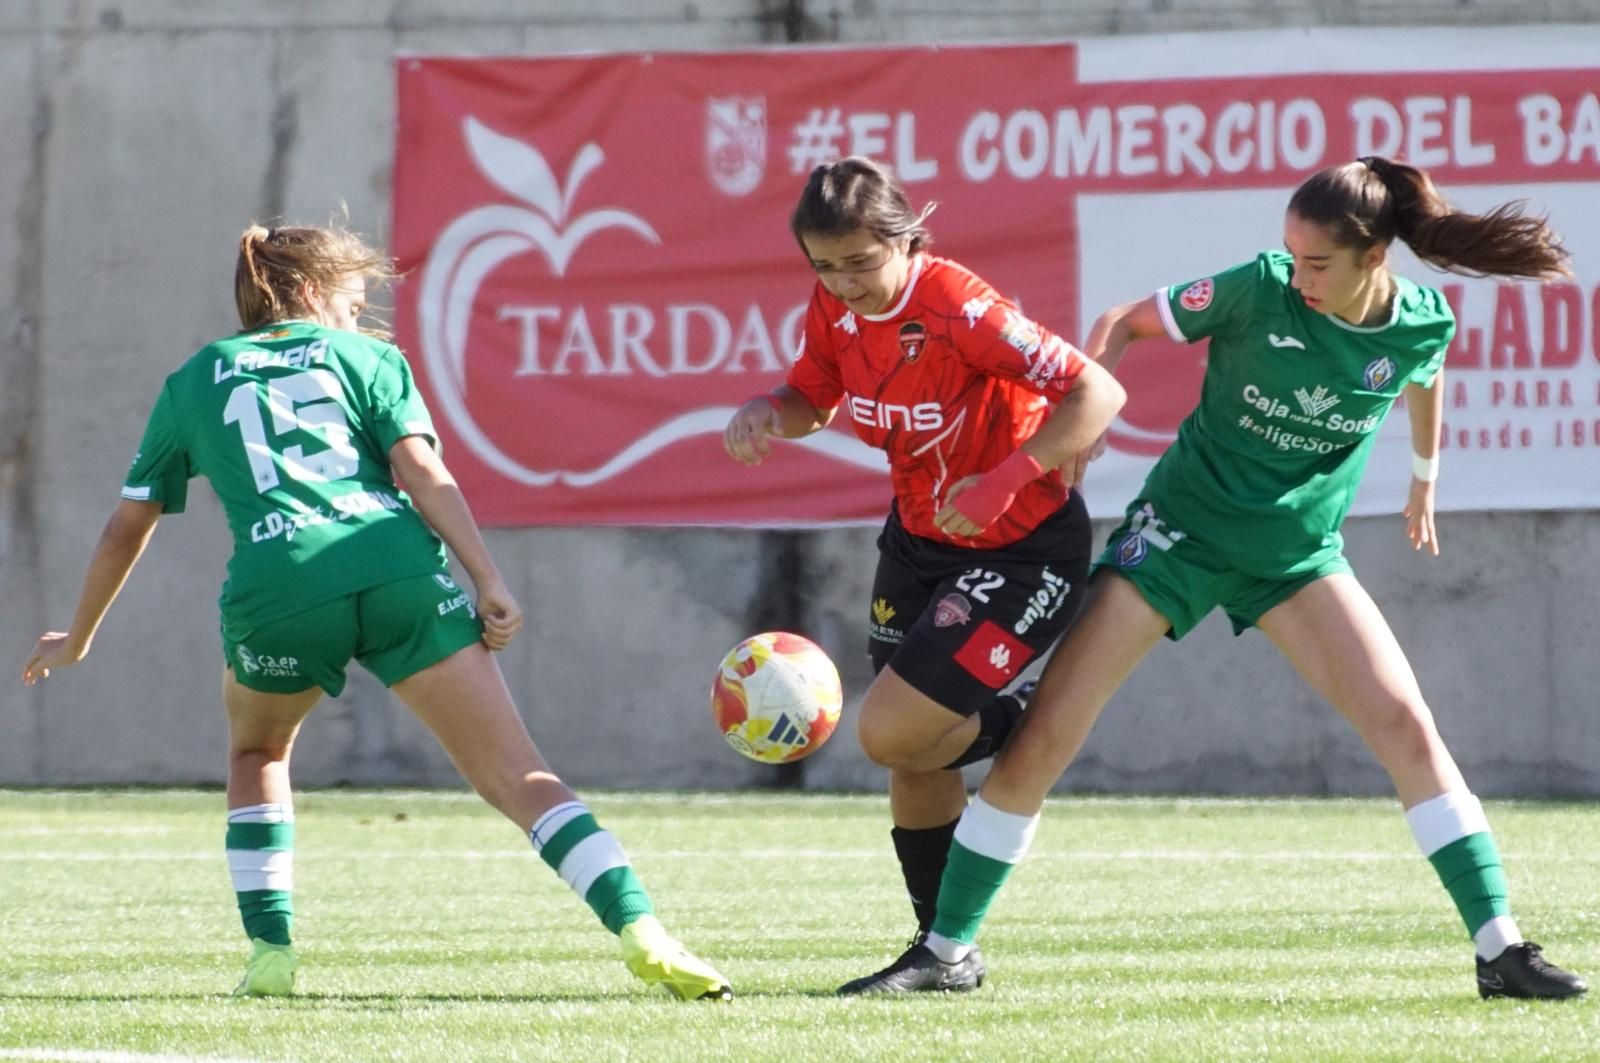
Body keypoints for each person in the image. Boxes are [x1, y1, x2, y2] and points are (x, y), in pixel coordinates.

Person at [840, 156, 1588, 1000]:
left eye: (1318, 264)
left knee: (1406, 724)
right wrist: (1073, 431)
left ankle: (1501, 948)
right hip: (1177, 539)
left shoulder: (1419, 320)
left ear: (1374, 257)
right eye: (1292, 255)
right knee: (1047, 733)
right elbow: (1122, 320)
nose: (1297, 276)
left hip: (1293, 556)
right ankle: (945, 951)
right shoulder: (1256, 288)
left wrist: (1425, 475)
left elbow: (1425, 371)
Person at [21, 221, 732, 1002]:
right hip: (396, 569)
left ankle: (271, 954)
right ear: (306, 292)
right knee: (520, 777)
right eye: (354, 301)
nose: (360, 318)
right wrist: (487, 577)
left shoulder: (196, 377)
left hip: (281, 585)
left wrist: (79, 637)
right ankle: (645, 930)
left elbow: (128, 523)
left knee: (258, 754)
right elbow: (422, 471)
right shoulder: (368, 359)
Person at [722, 156, 1127, 994]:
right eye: (825, 267)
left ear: (904, 238)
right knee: (913, 756)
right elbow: (814, 393)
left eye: (861, 262)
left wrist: (1008, 479)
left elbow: (1097, 391)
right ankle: (942, 950)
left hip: (1022, 548)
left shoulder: (957, 305)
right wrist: (772, 409)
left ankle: (1021, 720)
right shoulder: (834, 308)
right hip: (917, 544)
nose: (844, 283)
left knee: (889, 731)